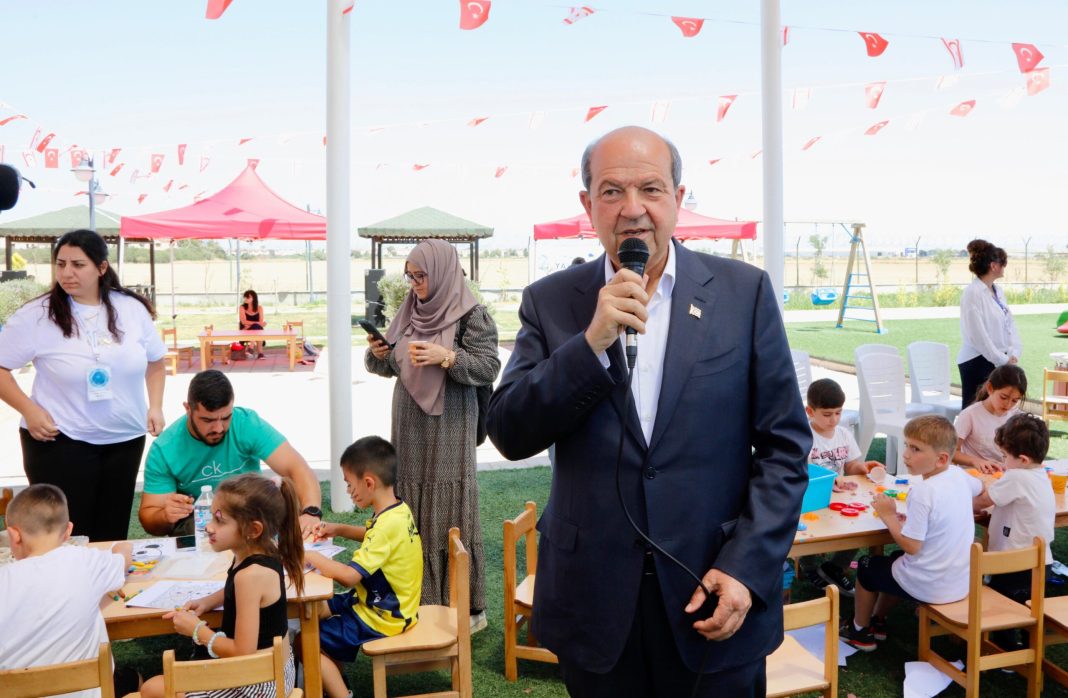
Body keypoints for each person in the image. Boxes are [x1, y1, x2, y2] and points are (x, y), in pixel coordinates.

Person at [487, 126, 810, 695]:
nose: (633, 209)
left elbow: (784, 449)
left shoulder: (744, 293)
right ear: (588, 203)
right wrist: (589, 344)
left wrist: (745, 567)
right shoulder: (551, 300)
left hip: (711, 591)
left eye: (651, 189)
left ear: (678, 198)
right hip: (594, 601)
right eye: (612, 191)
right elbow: (510, 432)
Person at [364, 238, 499, 631]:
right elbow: (386, 365)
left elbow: (489, 367)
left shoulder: (472, 315)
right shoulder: (410, 310)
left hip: (450, 424)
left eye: (421, 276)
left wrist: (448, 357)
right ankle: (415, 600)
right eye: (410, 276)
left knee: (449, 508)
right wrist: (378, 353)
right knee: (409, 501)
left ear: (442, 272)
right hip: (408, 421)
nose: (415, 284)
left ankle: (463, 606)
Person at [0, 229, 166, 541]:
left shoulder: (131, 309)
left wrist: (155, 406)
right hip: (60, 440)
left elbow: (156, 361)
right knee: (68, 536)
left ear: (101, 268)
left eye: (78, 265)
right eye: (61, 264)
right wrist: (29, 410)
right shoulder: (37, 314)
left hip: (124, 439)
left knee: (112, 534)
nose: (67, 273)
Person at [140, 474, 305, 698]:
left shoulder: (251, 575)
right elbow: (241, 591)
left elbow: (242, 651)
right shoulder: (260, 551)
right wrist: (208, 601)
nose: (208, 527)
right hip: (268, 672)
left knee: (152, 689)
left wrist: (197, 631)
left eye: (220, 520)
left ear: (253, 530)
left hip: (257, 685)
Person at [841, 416, 982, 652]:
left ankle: (859, 631)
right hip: (958, 582)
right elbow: (981, 489)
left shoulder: (923, 491)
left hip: (931, 586)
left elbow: (912, 547)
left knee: (867, 566)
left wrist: (888, 515)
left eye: (915, 449)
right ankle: (878, 619)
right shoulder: (958, 475)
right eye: (907, 445)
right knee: (896, 559)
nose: (906, 454)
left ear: (941, 459)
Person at [138, 369, 323, 538]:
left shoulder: (246, 423)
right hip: (199, 525)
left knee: (278, 509)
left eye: (226, 417)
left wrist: (311, 512)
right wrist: (165, 515)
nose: (219, 428)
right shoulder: (165, 449)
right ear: (188, 409)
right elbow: (149, 517)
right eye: (208, 420)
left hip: (251, 513)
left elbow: (296, 468)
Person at [305, 436, 423, 698]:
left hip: (383, 616)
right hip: (385, 603)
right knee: (316, 611)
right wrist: (338, 528)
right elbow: (373, 536)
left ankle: (340, 691)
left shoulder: (386, 525)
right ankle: (334, 677)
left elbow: (349, 576)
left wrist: (311, 557)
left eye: (349, 484)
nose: (348, 491)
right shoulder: (397, 510)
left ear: (369, 482)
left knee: (308, 641)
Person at [0, 484, 132, 698]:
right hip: (88, 691)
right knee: (129, 679)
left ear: (14, 535)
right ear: (68, 531)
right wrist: (121, 548)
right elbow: (124, 556)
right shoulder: (87, 562)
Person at [802, 378, 881, 597]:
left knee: (861, 523)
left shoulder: (844, 434)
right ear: (810, 411)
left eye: (838, 413)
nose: (834, 419)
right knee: (812, 530)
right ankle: (809, 566)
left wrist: (862, 467)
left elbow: (851, 465)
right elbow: (802, 470)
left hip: (840, 497)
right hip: (813, 498)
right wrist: (831, 479)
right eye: (827, 414)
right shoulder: (805, 436)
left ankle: (835, 566)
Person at [973, 413, 1053, 606]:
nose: (1003, 462)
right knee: (1023, 609)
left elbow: (981, 502)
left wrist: (958, 499)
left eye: (1005, 456)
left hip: (1012, 565)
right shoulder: (1041, 475)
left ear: (1023, 460)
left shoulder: (1016, 476)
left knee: (999, 609)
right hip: (1040, 562)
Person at [958, 239, 1021, 409]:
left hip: (997, 360)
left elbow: (1009, 324)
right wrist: (1002, 359)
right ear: (993, 266)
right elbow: (979, 336)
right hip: (977, 361)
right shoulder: (973, 293)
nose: (1005, 267)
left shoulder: (998, 291)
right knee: (975, 412)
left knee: (996, 413)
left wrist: (1013, 352)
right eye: (1003, 263)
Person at [952, 364, 1027, 474]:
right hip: (973, 475)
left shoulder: (1016, 416)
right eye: (1003, 397)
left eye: (1015, 400)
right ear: (990, 388)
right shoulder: (970, 414)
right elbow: (951, 452)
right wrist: (975, 461)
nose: (1008, 405)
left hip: (1001, 474)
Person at [239, 289, 266, 359]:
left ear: (253, 298)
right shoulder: (242, 307)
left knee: (257, 327)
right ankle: (260, 353)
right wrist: (257, 323)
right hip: (245, 330)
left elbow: (260, 322)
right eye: (245, 297)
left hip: (255, 330)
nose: (245, 298)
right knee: (257, 327)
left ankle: (251, 348)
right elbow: (243, 322)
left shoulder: (259, 308)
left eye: (248, 297)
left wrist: (252, 324)